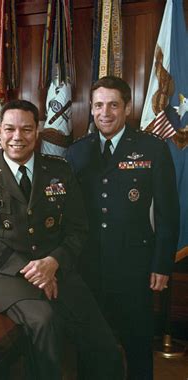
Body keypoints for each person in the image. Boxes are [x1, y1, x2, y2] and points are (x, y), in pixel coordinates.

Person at [0, 99, 123, 380]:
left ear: (37, 131)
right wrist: (30, 270)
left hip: (57, 270)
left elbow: (77, 228)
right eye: (10, 129)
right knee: (44, 322)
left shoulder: (59, 170)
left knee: (103, 341)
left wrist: (53, 262)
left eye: (26, 129)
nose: (17, 137)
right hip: (7, 276)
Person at [66, 76, 180, 379]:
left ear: (127, 108)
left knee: (138, 344)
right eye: (99, 105)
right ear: (91, 108)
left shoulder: (152, 149)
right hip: (88, 265)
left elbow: (169, 213)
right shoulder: (77, 152)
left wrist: (162, 265)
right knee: (89, 345)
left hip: (135, 266)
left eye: (113, 105)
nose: (105, 112)